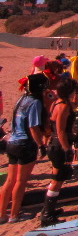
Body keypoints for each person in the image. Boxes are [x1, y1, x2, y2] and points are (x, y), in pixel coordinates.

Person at [0, 73, 48, 224]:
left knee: (9, 181)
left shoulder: (21, 99)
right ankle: (14, 215)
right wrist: (41, 145)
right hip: (25, 144)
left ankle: (1, 214)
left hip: (12, 142)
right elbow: (33, 127)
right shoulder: (35, 102)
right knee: (20, 181)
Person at [40, 78, 78, 227]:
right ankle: (47, 214)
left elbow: (77, 104)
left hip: (55, 144)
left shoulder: (57, 103)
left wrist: (77, 91)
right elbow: (61, 130)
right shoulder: (63, 106)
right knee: (57, 180)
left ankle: (48, 210)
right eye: (74, 90)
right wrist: (67, 149)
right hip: (59, 145)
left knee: (57, 179)